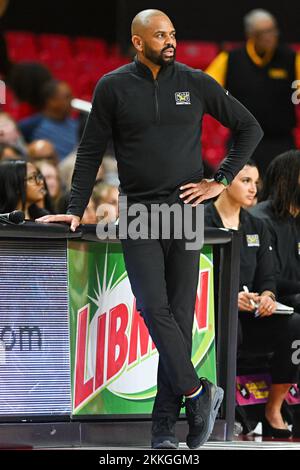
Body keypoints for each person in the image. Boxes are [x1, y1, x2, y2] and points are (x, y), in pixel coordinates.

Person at [37, 9, 263, 449]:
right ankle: (199, 393)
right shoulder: (113, 86)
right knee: (151, 307)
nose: (170, 41)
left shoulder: (196, 83)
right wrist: (75, 207)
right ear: (139, 42)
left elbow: (249, 128)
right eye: (160, 35)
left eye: (173, 34)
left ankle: (164, 429)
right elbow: (88, 152)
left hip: (187, 211)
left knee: (177, 318)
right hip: (138, 209)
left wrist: (218, 181)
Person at [205, 160, 300, 438]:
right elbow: (193, 276)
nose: (254, 188)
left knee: (295, 324)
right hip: (215, 313)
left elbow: (268, 278)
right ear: (223, 182)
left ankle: (274, 409)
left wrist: (268, 297)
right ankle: (227, 412)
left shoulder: (257, 225)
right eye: (245, 181)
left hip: (253, 314)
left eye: (255, 182)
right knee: (230, 326)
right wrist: (229, 298)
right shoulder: (201, 221)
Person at [206, 9, 300, 176]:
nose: (271, 36)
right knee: (243, 195)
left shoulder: (291, 59)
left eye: (273, 30)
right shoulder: (230, 59)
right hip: (243, 141)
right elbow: (205, 88)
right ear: (251, 34)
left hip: (280, 141)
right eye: (264, 32)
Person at [251, 150, 300, 312]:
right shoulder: (260, 220)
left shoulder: (296, 217)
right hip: (270, 302)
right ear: (284, 181)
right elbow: (270, 278)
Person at [19, 80, 79, 160]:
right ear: (51, 101)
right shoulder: (31, 125)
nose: (72, 100)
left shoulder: (76, 124)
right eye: (67, 97)